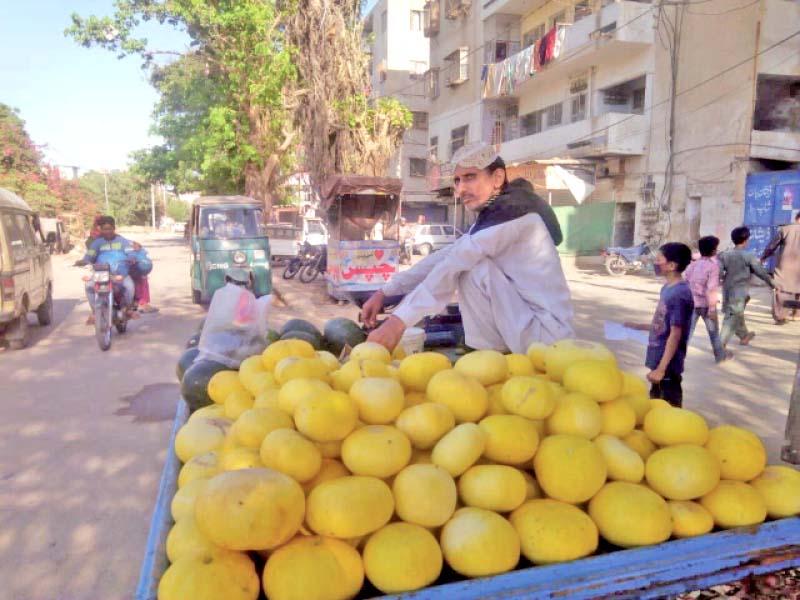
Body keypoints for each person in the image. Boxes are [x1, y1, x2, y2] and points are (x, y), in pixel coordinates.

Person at [362, 142, 573, 353]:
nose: (461, 189)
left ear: (497, 179)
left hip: (546, 338)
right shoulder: (495, 214)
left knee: (470, 268)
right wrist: (385, 291)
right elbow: (446, 255)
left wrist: (397, 323)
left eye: (470, 177)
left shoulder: (512, 213)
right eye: (457, 180)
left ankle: (489, 357)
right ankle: (489, 358)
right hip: (529, 329)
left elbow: (453, 264)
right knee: (465, 263)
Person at [625, 243, 694, 407]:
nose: (655, 263)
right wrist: (639, 326)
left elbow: (675, 334)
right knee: (656, 402)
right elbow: (663, 323)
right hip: (658, 356)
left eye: (658, 259)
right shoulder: (667, 288)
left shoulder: (679, 294)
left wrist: (662, 369)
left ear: (671, 265)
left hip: (668, 363)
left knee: (668, 404)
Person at [718, 226, 776, 348]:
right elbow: (761, 272)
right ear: (746, 240)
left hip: (727, 289)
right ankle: (720, 344)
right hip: (739, 291)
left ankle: (744, 335)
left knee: (736, 312)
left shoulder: (724, 255)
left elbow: (718, 272)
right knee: (733, 315)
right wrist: (773, 284)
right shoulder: (748, 256)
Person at [75, 216, 136, 324]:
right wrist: (83, 261)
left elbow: (130, 252)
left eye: (109, 229)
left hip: (120, 273)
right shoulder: (96, 243)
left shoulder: (123, 241)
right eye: (104, 229)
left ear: (114, 228)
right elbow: (89, 256)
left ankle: (128, 308)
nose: (107, 231)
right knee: (89, 286)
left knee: (129, 286)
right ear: (101, 230)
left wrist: (131, 258)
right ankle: (95, 311)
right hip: (101, 273)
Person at [683, 235, 731, 363]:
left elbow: (685, 281)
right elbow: (711, 289)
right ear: (714, 251)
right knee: (714, 333)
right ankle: (720, 357)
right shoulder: (713, 267)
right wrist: (712, 309)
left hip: (691, 304)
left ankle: (678, 359)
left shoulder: (692, 265)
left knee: (687, 334)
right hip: (706, 305)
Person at [761, 210, 800, 324]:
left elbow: (772, 245)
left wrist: (764, 257)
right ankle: (796, 314)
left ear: (796, 218)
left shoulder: (785, 229)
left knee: (781, 289)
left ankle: (780, 316)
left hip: (785, 266)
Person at [130, 241, 159, 314]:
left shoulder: (142, 252)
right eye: (134, 245)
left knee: (143, 283)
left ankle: (143, 303)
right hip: (131, 271)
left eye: (136, 245)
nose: (135, 246)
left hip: (139, 271)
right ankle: (142, 303)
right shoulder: (130, 253)